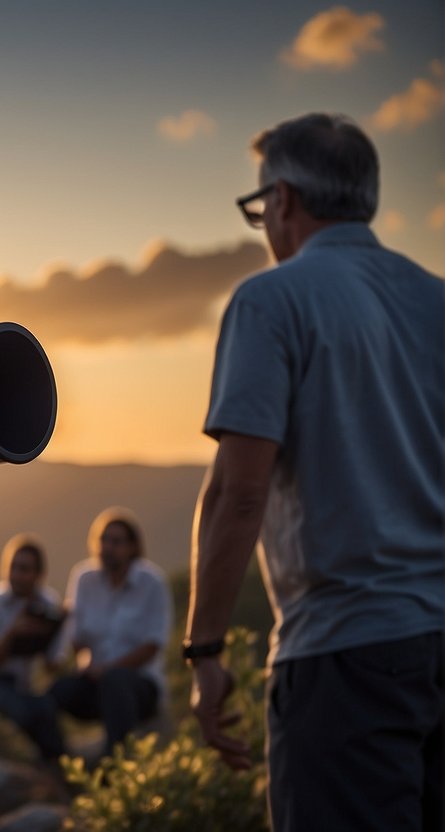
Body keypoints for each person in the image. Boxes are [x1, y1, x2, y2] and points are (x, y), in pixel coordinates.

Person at [186, 113, 444, 832]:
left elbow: (240, 495)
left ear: (282, 200)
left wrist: (203, 651)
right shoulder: (436, 300)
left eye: (256, 207)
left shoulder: (270, 300)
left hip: (344, 652)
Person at [44, 507, 171, 763]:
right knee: (55, 693)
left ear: (132, 547)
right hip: (96, 681)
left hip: (140, 686)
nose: (107, 547)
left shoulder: (152, 583)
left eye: (116, 541)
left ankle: (115, 763)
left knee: (116, 680)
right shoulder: (84, 578)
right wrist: (86, 662)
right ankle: (58, 761)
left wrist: (108, 670)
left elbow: (152, 646)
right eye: (103, 540)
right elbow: (77, 635)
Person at [0, 533, 67, 760]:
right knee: (28, 713)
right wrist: (14, 632)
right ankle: (51, 765)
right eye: (12, 567)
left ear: (38, 575)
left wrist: (55, 631)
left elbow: (53, 665)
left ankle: (56, 765)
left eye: (24, 569)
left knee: (46, 708)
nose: (16, 575)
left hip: (27, 686)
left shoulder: (48, 603)